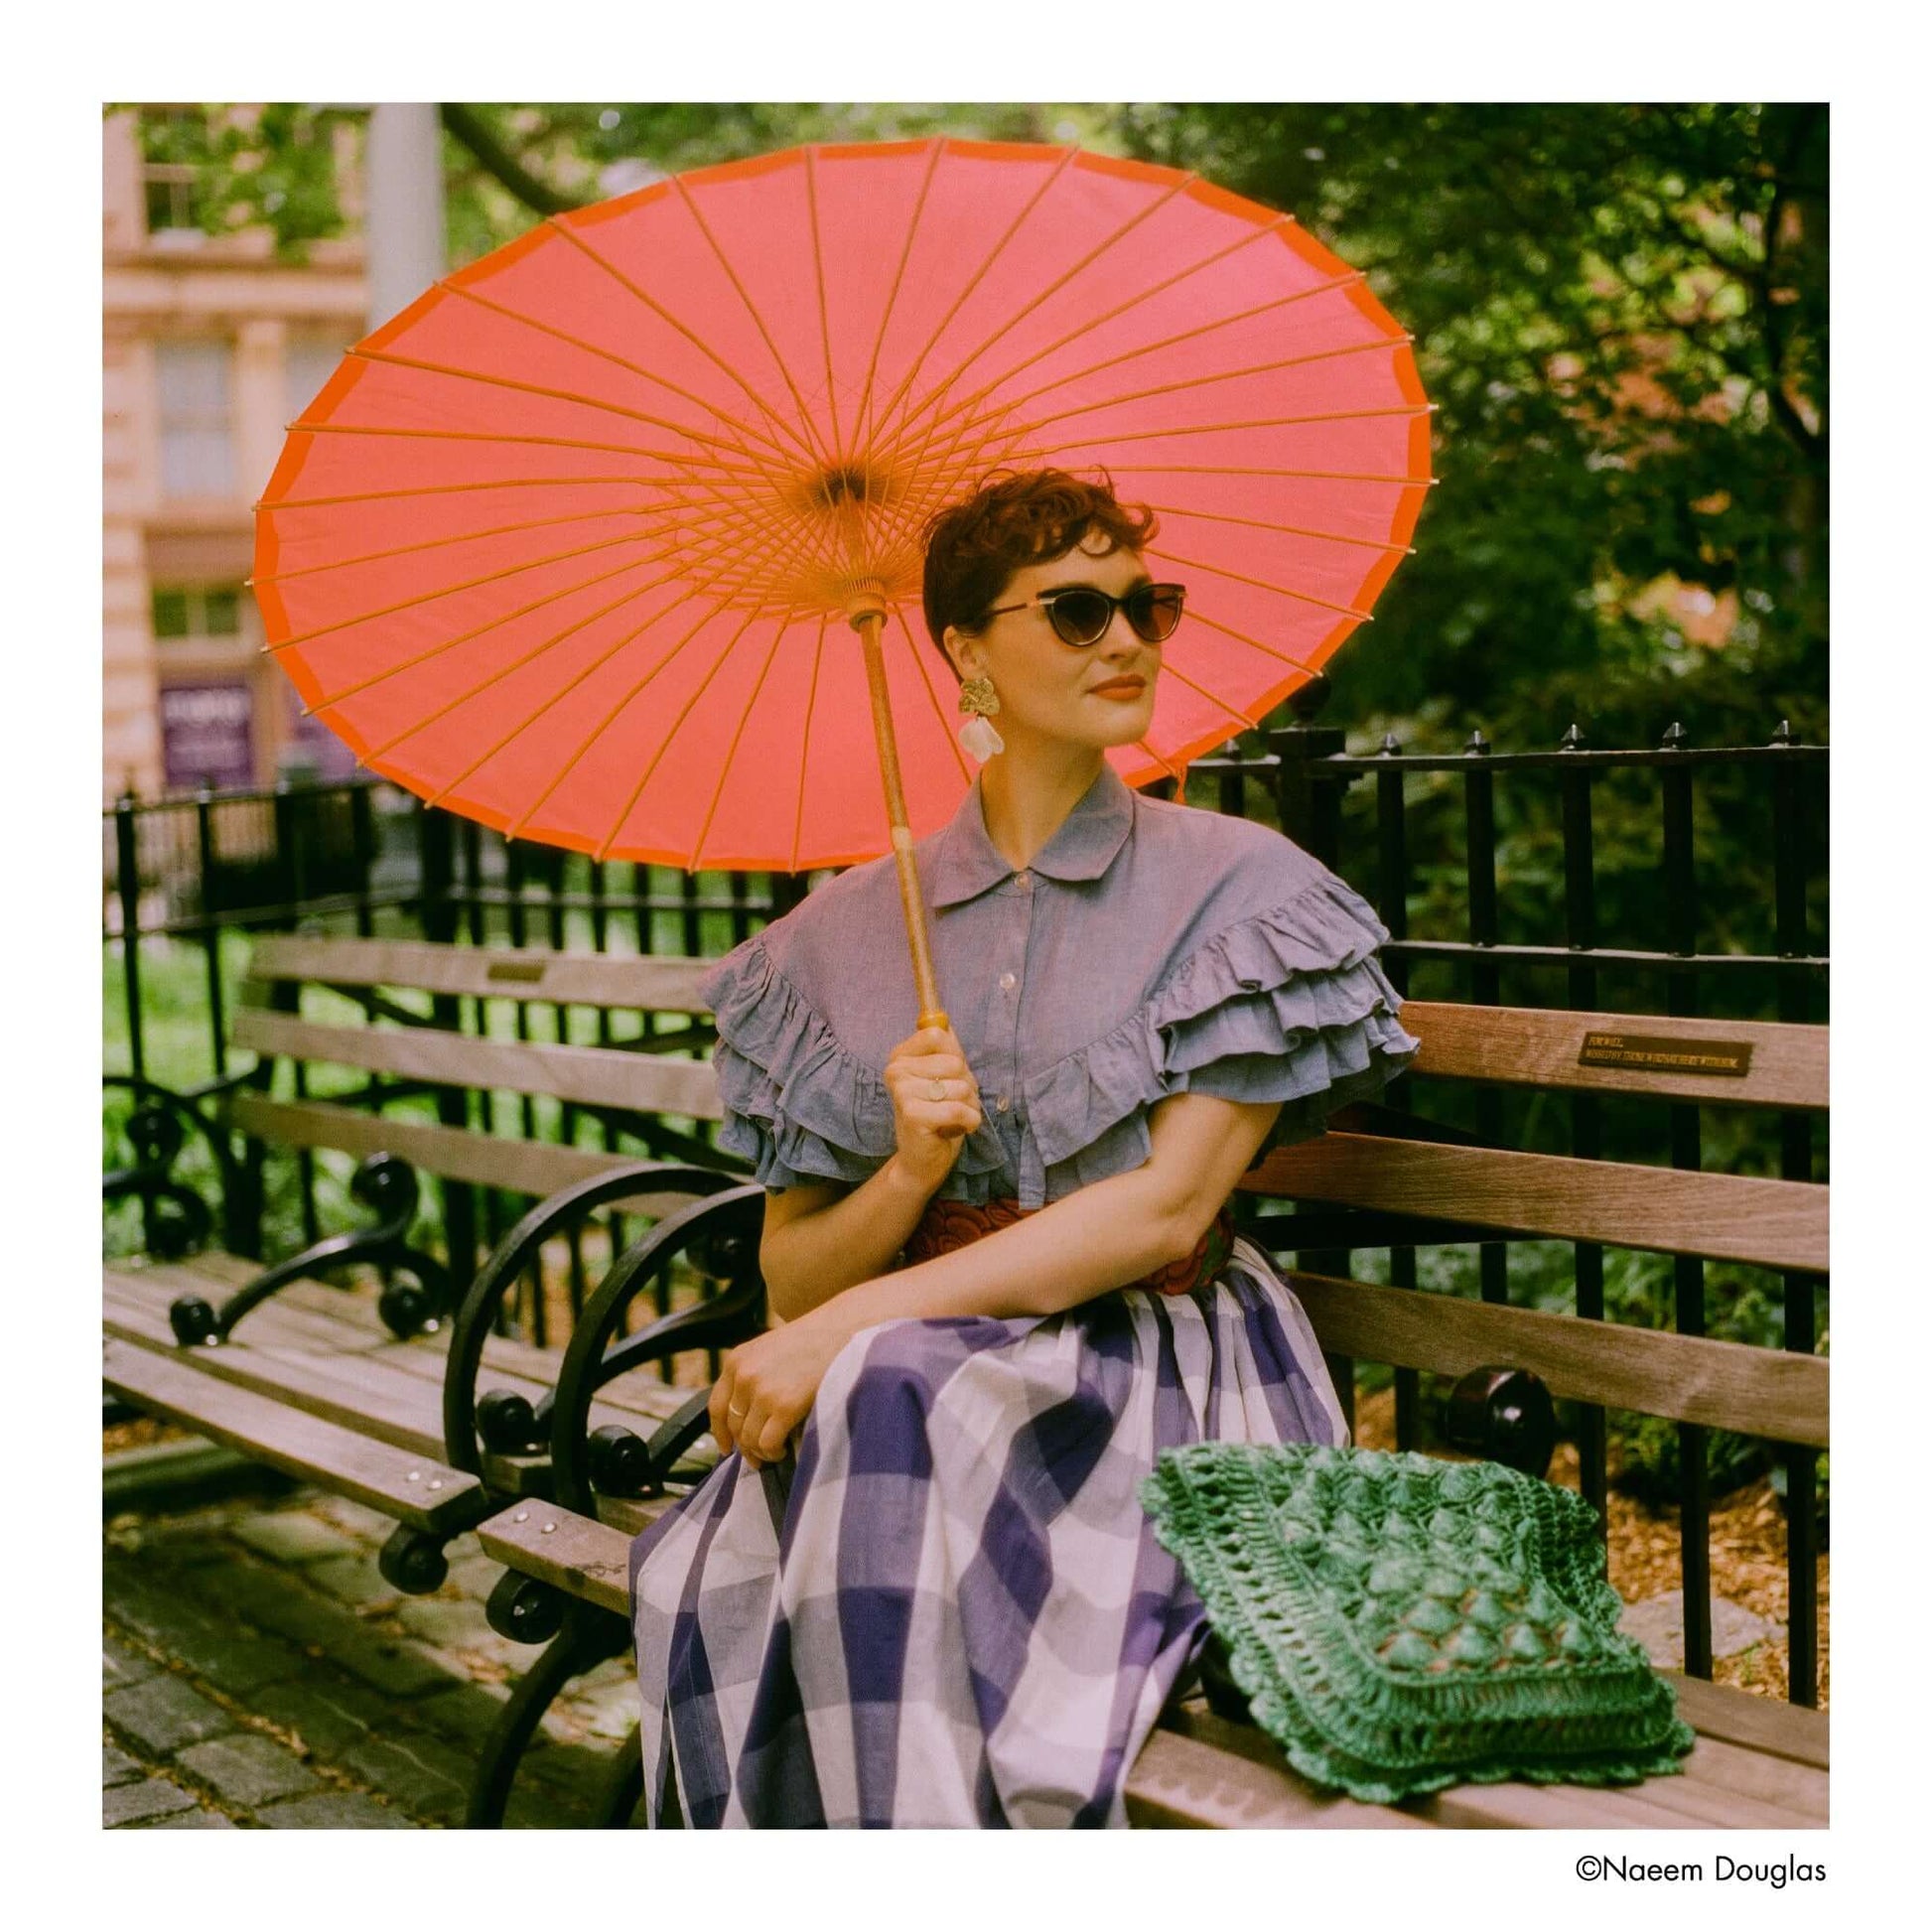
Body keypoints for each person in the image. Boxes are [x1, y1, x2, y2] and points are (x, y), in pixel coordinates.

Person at [628, 468, 1421, 1828]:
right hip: (902, 1392)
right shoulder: (831, 943)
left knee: (885, 1383)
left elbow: (1164, 1213)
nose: (1127, 641)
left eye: (1145, 605)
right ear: (964, 651)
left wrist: (852, 1326)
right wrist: (907, 1171)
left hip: (1155, 1368)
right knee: (885, 1396)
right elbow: (792, 1281)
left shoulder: (1241, 893)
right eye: (1074, 610)